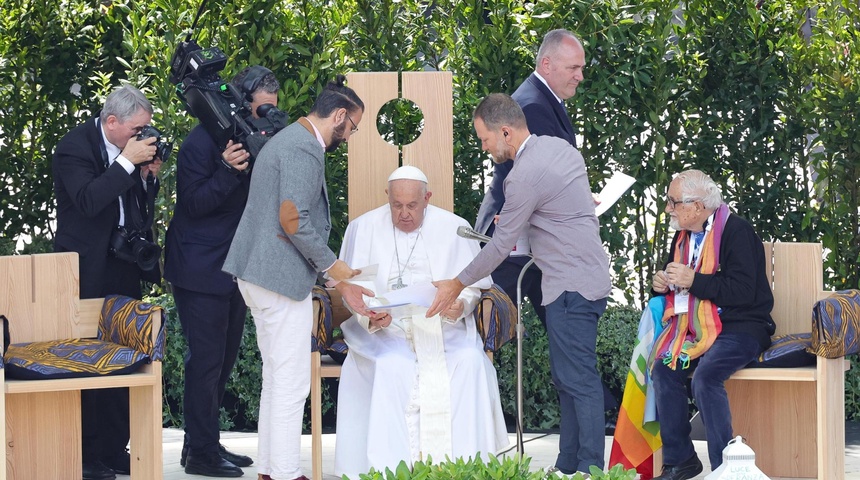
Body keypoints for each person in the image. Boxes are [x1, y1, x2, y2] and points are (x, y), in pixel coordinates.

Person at [429, 93, 611, 475]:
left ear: (506, 132)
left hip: (569, 285)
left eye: (484, 139)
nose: (484, 148)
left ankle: (592, 468)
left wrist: (455, 283)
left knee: (579, 380)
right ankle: (567, 466)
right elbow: (558, 211)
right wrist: (517, 222)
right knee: (568, 379)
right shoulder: (560, 149)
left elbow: (499, 247)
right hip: (584, 280)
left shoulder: (522, 175)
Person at [222, 74, 365, 480]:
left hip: (259, 273)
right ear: (339, 116)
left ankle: (271, 468)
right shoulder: (304, 147)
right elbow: (293, 220)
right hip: (279, 278)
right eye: (352, 127)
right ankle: (285, 473)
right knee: (291, 382)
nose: (350, 136)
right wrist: (335, 269)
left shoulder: (287, 138)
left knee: (276, 377)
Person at [332, 166, 508, 477]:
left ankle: (466, 470)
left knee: (468, 361)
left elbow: (476, 287)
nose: (403, 214)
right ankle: (389, 471)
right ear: (387, 198)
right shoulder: (362, 229)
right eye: (396, 205)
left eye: (412, 205)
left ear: (426, 198)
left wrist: (460, 305)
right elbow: (349, 292)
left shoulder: (455, 228)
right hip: (386, 332)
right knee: (392, 366)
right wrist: (369, 316)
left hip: (444, 328)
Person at [164, 65, 280, 477]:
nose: (265, 117)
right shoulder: (199, 141)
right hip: (199, 268)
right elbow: (192, 206)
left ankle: (203, 443)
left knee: (223, 361)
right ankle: (200, 456)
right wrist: (229, 171)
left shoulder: (253, 141)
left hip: (233, 267)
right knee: (206, 362)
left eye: (273, 110)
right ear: (242, 102)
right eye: (262, 109)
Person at [52, 84, 164, 480]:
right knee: (87, 361)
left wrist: (147, 177)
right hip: (84, 269)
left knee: (124, 357)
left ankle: (115, 448)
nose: (141, 136)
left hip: (124, 263)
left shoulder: (130, 151)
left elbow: (138, 209)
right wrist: (127, 163)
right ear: (111, 121)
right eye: (136, 129)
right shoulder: (74, 147)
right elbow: (87, 200)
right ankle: (85, 454)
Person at [648, 170, 774, 480]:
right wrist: (661, 284)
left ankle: (724, 467)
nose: (668, 210)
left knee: (705, 377)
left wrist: (694, 281)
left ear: (698, 205)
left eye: (673, 203)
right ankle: (681, 460)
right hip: (693, 328)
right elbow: (677, 284)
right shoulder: (683, 235)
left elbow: (744, 293)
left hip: (741, 326)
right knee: (663, 370)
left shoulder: (737, 231)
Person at [474, 29, 584, 326]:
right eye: (573, 68)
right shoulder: (534, 105)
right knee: (482, 333)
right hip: (514, 241)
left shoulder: (544, 99)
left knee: (562, 330)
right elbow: (541, 179)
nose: (580, 76)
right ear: (547, 65)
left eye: (581, 68)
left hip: (530, 240)